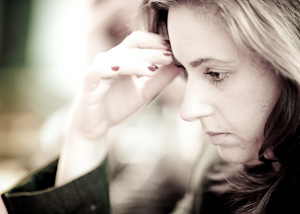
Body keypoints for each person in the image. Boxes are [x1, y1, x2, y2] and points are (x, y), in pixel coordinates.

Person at [2, 0, 300, 213]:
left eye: (215, 73)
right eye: (184, 71)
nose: (189, 110)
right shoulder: (220, 175)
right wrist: (87, 134)